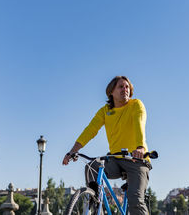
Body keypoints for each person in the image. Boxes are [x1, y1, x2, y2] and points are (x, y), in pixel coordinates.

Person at [62, 76, 151, 215]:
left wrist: (140, 147)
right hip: (115, 159)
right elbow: (90, 130)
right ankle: (97, 204)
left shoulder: (136, 105)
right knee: (92, 167)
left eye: (127, 87)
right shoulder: (105, 111)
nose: (125, 89)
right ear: (111, 92)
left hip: (136, 160)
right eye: (120, 87)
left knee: (135, 200)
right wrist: (72, 151)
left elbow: (140, 124)